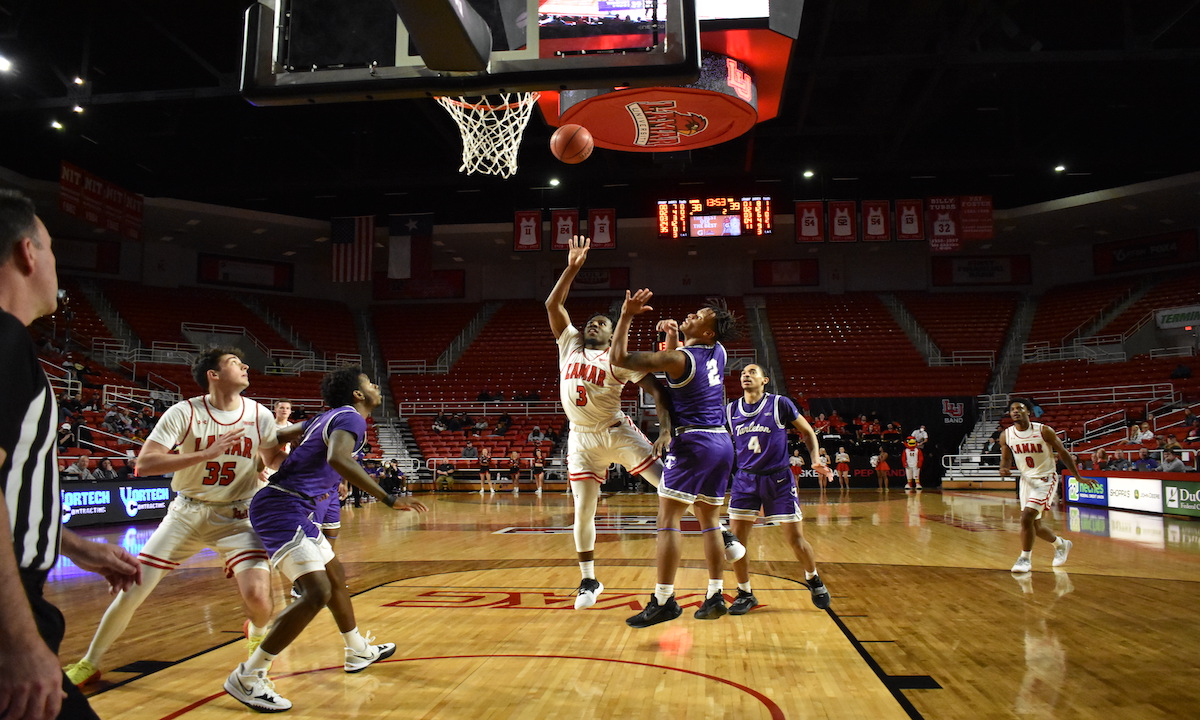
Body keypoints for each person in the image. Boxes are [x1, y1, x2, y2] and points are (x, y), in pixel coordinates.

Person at [1, 189, 143, 720]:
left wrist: (69, 544)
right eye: (54, 250)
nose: (59, 267)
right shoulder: (5, 341)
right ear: (27, 253)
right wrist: (17, 641)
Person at [545, 236, 743, 612]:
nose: (594, 325)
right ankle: (589, 578)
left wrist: (665, 429)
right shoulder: (568, 343)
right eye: (591, 321)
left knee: (668, 487)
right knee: (583, 508)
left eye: (603, 323)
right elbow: (553, 304)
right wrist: (572, 268)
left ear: (610, 333)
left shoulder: (619, 359)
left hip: (616, 430)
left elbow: (660, 391)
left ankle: (722, 532)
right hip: (580, 439)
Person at [64, 347, 281, 687]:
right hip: (187, 513)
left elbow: (272, 461)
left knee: (257, 595)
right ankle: (90, 662)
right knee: (132, 589)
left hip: (238, 516)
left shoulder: (260, 414)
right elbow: (144, 464)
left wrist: (299, 457)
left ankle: (256, 631)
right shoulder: (185, 412)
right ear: (214, 374)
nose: (245, 366)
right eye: (235, 363)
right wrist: (206, 454)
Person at [224, 366, 428, 712]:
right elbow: (337, 457)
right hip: (283, 505)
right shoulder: (351, 418)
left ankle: (357, 649)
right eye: (369, 382)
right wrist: (389, 498)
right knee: (316, 591)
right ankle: (248, 675)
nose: (376, 385)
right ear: (358, 395)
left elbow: (274, 436)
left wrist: (254, 447)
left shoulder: (324, 418)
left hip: (295, 506)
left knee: (336, 577)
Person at [610, 288, 740, 627]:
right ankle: (714, 594)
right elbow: (680, 375)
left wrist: (626, 315)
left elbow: (619, 359)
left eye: (698, 318)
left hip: (693, 443)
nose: (690, 317)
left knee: (668, 521)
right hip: (721, 443)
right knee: (710, 521)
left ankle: (664, 600)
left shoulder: (680, 359)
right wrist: (671, 338)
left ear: (707, 333)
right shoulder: (720, 351)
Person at [724, 364, 833, 614]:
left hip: (779, 479)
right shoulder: (730, 410)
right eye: (743, 373)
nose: (746, 375)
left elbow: (807, 431)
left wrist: (814, 457)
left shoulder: (779, 404)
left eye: (752, 372)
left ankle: (813, 578)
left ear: (765, 380)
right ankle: (745, 592)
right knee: (736, 543)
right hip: (745, 480)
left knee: (795, 540)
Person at [999, 398, 1079, 574]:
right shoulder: (1007, 435)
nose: (1015, 411)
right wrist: (1004, 468)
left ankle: (1025, 559)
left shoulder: (1043, 431)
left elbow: (1063, 452)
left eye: (1019, 408)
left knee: (1026, 517)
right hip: (1026, 480)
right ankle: (1061, 544)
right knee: (1035, 525)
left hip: (1045, 479)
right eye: (1012, 409)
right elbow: (1006, 458)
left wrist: (1077, 476)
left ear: (1028, 411)